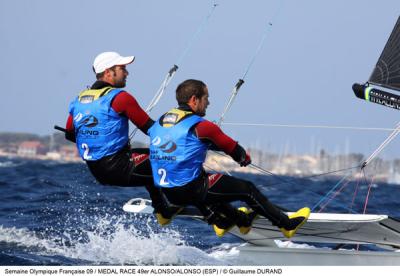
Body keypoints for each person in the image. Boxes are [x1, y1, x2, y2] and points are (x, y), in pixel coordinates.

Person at [148, 79, 311, 238]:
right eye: (206, 98)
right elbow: (234, 149)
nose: (209, 103)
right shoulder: (202, 126)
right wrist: (243, 158)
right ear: (194, 100)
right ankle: (287, 225)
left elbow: (181, 144)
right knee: (248, 190)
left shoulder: (162, 121)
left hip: (168, 193)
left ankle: (236, 222)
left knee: (210, 184)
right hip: (191, 191)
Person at [64, 51, 176, 221]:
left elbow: (70, 134)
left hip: (98, 172)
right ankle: (216, 216)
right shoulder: (120, 98)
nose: (127, 72)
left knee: (149, 155)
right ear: (109, 72)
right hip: (121, 167)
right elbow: (152, 130)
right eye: (122, 68)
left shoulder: (79, 99)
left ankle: (162, 210)